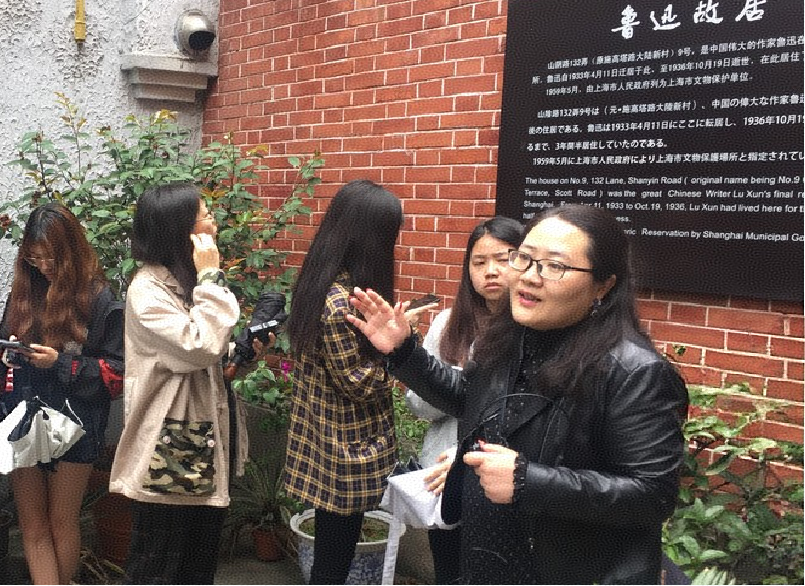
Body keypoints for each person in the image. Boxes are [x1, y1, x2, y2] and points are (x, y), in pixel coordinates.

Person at [347, 204, 689, 584]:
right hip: (488, 560)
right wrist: (404, 352)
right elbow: (471, 400)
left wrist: (531, 481)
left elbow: (652, 494)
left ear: (603, 286)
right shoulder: (508, 337)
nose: (529, 277)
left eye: (554, 266)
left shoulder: (635, 372)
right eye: (524, 258)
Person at [109, 183, 244, 584]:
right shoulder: (147, 290)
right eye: (204, 214)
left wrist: (241, 353)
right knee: (159, 566)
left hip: (203, 438)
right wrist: (211, 275)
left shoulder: (185, 280)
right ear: (179, 229)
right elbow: (200, 345)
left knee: (198, 564)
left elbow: (211, 351)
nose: (213, 221)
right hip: (170, 444)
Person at [0, 202, 124, 585]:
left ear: (71, 252)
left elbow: (116, 375)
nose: (43, 266)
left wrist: (59, 363)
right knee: (32, 524)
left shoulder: (99, 298)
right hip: (22, 413)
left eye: (51, 257)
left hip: (76, 419)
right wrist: (6, 357)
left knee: (62, 521)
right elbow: (0, 353)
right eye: (34, 257)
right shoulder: (24, 292)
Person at [283, 179, 403, 584]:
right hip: (345, 448)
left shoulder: (321, 282)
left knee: (332, 552)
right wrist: (401, 350)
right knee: (333, 560)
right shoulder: (341, 303)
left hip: (324, 441)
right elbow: (360, 382)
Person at [405, 215, 524, 585]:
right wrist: (451, 383)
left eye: (504, 259)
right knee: (448, 572)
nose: (491, 271)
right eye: (479, 262)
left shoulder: (532, 330)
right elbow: (417, 405)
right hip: (442, 479)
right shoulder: (448, 324)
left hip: (499, 482)